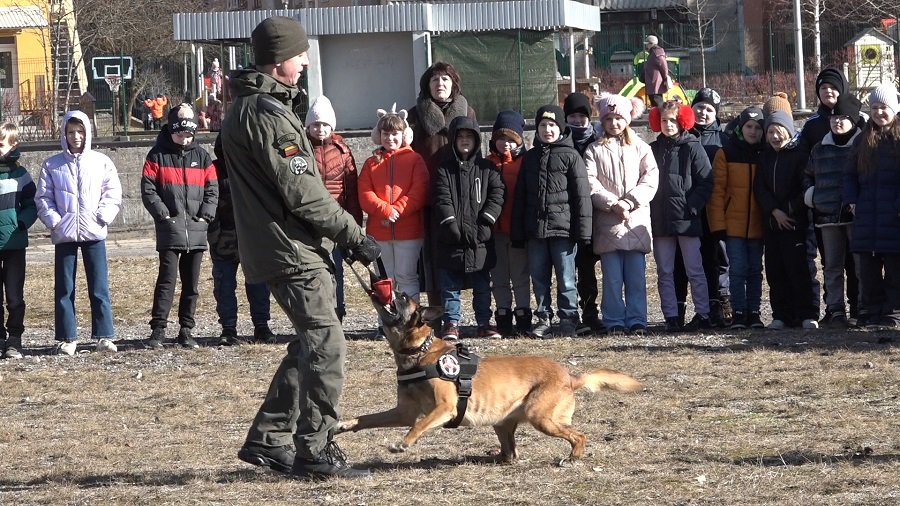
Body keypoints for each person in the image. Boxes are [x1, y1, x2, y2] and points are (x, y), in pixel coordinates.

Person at [222, 16, 379, 480]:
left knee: (309, 343)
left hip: (281, 245)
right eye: (299, 54)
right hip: (289, 248)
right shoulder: (268, 114)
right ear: (278, 61)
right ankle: (316, 448)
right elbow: (303, 192)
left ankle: (269, 439)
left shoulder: (252, 107)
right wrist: (354, 234)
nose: (306, 61)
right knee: (326, 344)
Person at [36, 110, 122, 356]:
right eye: (71, 131)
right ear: (63, 133)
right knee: (64, 287)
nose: (76, 136)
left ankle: (104, 335)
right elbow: (43, 198)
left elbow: (112, 192)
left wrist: (102, 217)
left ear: (88, 133)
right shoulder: (52, 164)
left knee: (99, 286)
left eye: (80, 131)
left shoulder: (101, 161)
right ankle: (67, 337)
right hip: (64, 235)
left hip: (94, 232)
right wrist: (55, 221)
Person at [141, 104, 219, 349]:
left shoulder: (203, 157)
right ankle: (158, 329)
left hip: (197, 230)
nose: (184, 140)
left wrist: (206, 216)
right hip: (170, 230)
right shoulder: (156, 156)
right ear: (170, 130)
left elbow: (212, 190)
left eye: (189, 135)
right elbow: (148, 189)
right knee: (167, 281)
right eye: (179, 134)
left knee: (191, 284)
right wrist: (163, 215)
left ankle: (186, 329)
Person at [512, 104, 592, 338]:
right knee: (539, 276)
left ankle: (568, 318)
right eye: (543, 125)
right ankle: (543, 317)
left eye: (552, 125)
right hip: (536, 231)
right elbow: (521, 195)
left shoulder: (571, 155)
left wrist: (583, 231)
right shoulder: (530, 158)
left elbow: (581, 195)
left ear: (561, 128)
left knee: (566, 277)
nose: (548, 129)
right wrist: (519, 230)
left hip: (564, 232)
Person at [584, 94, 658, 336]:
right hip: (608, 223)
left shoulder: (641, 147)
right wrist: (612, 203)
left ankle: (637, 319)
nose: (614, 123)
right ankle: (614, 319)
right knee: (612, 278)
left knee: (636, 278)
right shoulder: (594, 150)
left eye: (618, 118)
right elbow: (590, 182)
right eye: (609, 119)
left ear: (627, 120)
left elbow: (650, 179)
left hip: (635, 220)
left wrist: (629, 201)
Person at [407, 61, 477, 308]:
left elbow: (476, 151)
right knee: (431, 257)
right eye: (435, 80)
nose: (440, 84)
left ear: (454, 84)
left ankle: (458, 313)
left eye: (445, 80)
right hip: (426, 195)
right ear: (427, 85)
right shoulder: (414, 115)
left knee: (462, 252)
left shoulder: (467, 113)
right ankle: (437, 309)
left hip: (460, 193)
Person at [358, 105, 430, 336]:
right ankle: (386, 325)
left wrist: (397, 209)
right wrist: (384, 210)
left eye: (395, 133)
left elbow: (420, 190)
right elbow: (365, 193)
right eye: (386, 133)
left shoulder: (415, 159)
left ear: (403, 135)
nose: (391, 138)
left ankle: (410, 323)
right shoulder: (371, 163)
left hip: (409, 231)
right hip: (379, 232)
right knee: (384, 281)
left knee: (407, 277)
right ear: (379, 135)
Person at [432, 116, 504, 339]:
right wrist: (451, 224)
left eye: (469, 137)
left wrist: (486, 222)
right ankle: (452, 323)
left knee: (482, 286)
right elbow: (442, 198)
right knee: (450, 287)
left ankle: (484, 322)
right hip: (450, 239)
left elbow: (497, 194)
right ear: (453, 140)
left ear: (476, 140)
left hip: (481, 239)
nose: (464, 141)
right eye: (460, 137)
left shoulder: (487, 168)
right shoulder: (444, 169)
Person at [648, 101, 713, 332]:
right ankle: (671, 316)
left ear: (683, 120)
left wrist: (692, 207)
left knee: (694, 269)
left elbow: (706, 181)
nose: (668, 125)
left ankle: (703, 313)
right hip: (661, 219)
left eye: (673, 120)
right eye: (664, 120)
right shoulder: (653, 149)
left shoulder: (693, 147)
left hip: (687, 219)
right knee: (664, 271)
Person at [207, 136, 275, 346]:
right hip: (223, 238)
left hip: (253, 238)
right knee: (224, 285)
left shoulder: (253, 169)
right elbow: (208, 200)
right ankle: (228, 328)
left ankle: (261, 326)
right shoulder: (213, 170)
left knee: (258, 283)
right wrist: (214, 232)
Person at [802, 93, 863, 328]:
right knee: (832, 266)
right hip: (826, 217)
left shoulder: (860, 146)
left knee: (859, 264)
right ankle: (835, 309)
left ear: (854, 120)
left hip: (855, 216)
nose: (837, 122)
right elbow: (807, 175)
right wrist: (812, 197)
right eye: (834, 117)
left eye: (844, 117)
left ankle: (860, 306)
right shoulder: (819, 148)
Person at [755, 110, 818, 329]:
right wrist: (774, 211)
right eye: (770, 131)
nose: (774, 136)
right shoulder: (764, 157)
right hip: (772, 224)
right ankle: (781, 314)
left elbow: (805, 187)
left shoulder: (800, 155)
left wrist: (788, 211)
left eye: (779, 131)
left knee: (800, 270)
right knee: (775, 270)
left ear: (788, 132)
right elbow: (760, 189)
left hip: (797, 224)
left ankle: (807, 313)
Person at [843, 83, 900, 329]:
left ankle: (894, 312)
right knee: (868, 268)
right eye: (874, 107)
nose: (879, 113)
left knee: (896, 269)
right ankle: (871, 310)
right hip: (867, 215)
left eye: (884, 107)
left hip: (894, 215)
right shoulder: (862, 140)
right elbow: (849, 174)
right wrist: (852, 200)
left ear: (895, 109)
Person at [707, 107, 766, 329]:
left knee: (755, 271)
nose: (753, 132)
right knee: (738, 270)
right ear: (741, 128)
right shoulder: (727, 152)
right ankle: (739, 312)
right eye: (749, 127)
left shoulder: (764, 153)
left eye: (757, 128)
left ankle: (754, 312)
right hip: (733, 226)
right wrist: (718, 226)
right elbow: (717, 193)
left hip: (758, 225)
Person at [306, 95, 363, 323]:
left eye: (325, 125)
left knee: (336, 268)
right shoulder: (301, 149)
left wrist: (355, 222)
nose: (320, 129)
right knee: (311, 271)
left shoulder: (343, 151)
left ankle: (337, 312)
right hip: (309, 220)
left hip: (335, 218)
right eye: (316, 124)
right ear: (308, 126)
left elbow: (351, 188)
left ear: (332, 126)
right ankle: (315, 314)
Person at [687, 87, 731, 327]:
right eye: (700, 107)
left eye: (709, 109)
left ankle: (722, 300)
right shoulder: (683, 136)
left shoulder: (724, 141)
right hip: (690, 209)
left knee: (719, 257)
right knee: (694, 260)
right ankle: (701, 307)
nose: (703, 113)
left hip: (715, 209)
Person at [487, 110, 532, 336]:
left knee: (520, 274)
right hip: (494, 231)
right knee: (499, 276)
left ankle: (523, 312)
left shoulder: (525, 162)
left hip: (517, 231)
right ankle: (503, 313)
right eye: (501, 138)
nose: (506, 143)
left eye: (512, 139)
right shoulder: (487, 164)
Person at [565, 92, 602, 334]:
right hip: (566, 216)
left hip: (594, 215)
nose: (578, 121)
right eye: (573, 116)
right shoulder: (560, 143)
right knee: (568, 269)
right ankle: (568, 315)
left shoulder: (598, 143)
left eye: (582, 116)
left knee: (588, 269)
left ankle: (590, 312)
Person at [0, 122, 36, 360]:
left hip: (14, 244)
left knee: (14, 296)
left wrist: (21, 223)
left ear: (13, 145)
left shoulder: (21, 176)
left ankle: (14, 338)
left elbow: (32, 205)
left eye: (0, 143)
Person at [643, 35, 670, 109]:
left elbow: (663, 66)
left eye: (647, 44)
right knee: (655, 104)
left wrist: (665, 78)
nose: (646, 46)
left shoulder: (656, 53)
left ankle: (661, 117)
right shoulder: (653, 53)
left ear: (651, 44)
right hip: (653, 83)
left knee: (657, 104)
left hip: (655, 83)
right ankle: (658, 117)